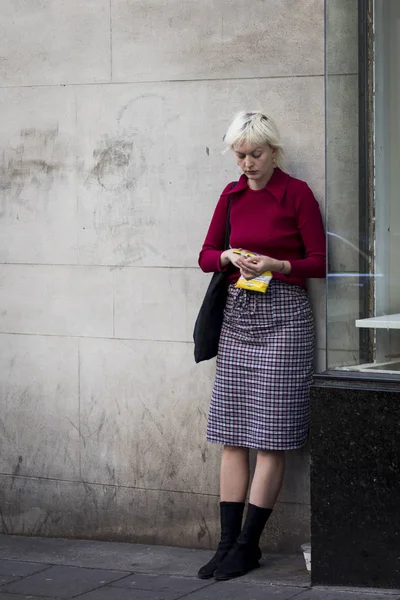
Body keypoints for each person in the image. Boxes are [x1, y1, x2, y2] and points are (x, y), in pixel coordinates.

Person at [197, 111, 326, 581]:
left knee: (270, 434)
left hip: (285, 317)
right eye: (240, 155)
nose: (247, 163)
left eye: (255, 154)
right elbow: (206, 254)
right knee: (231, 432)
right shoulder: (230, 196)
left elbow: (319, 262)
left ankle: (248, 545)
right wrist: (228, 256)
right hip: (238, 315)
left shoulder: (296, 194)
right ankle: (226, 544)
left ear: (274, 152)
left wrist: (276, 264)